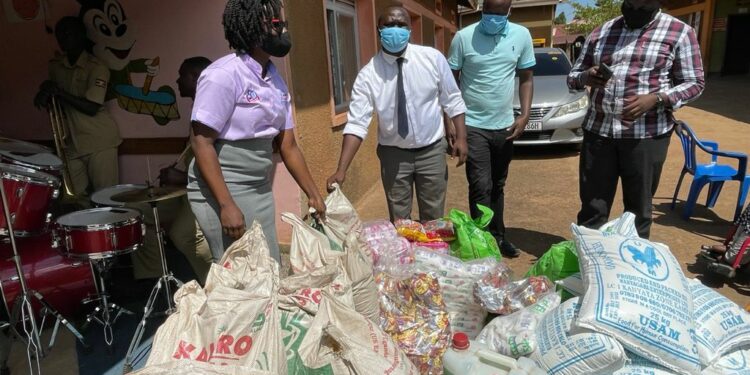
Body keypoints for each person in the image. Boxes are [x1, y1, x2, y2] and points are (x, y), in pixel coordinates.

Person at [189, 0, 326, 262]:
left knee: (268, 264)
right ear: (252, 27)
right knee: (241, 274)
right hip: (224, 187)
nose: (282, 30)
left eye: (283, 23)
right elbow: (201, 143)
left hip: (259, 187)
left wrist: (313, 193)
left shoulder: (275, 79)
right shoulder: (223, 75)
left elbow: (289, 146)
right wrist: (226, 205)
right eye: (275, 24)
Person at [568, 0, 704, 239]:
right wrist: (585, 77)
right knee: (592, 208)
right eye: (630, 3)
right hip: (599, 133)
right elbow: (573, 76)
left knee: (637, 210)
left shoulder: (680, 32)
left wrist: (658, 98)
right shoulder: (602, 31)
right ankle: (590, 265)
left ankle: (630, 267)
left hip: (646, 137)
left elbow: (695, 83)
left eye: (643, 5)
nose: (635, 9)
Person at [327, 6, 468, 222]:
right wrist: (341, 169)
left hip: (431, 150)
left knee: (433, 218)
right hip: (394, 155)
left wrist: (461, 137)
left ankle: (429, 255)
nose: (396, 30)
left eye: (401, 25)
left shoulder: (432, 58)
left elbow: (452, 99)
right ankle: (406, 255)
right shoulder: (368, 75)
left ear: (410, 29)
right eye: (389, 25)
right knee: (400, 222)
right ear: (379, 30)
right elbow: (357, 124)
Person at [447, 0, 535, 257]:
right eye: (488, 12)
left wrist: (525, 115)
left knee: (498, 184)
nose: (492, 18)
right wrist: (451, 122)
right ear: (481, 9)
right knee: (480, 185)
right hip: (473, 124)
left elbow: (527, 78)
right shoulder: (463, 38)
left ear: (509, 11)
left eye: (499, 13)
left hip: (505, 126)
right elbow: (449, 81)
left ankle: (498, 237)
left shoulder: (522, 35)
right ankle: (481, 242)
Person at [130, 56, 215, 284]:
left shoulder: (214, 108)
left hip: (201, 190)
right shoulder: (197, 107)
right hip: (185, 187)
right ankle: (155, 281)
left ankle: (216, 283)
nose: (177, 80)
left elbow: (219, 163)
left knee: (183, 235)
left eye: (182, 75)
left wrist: (182, 177)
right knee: (135, 213)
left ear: (197, 77)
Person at [34, 16, 121, 198]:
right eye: (60, 35)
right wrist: (44, 93)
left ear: (81, 35)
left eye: (69, 33)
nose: (64, 38)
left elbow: (91, 107)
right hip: (71, 144)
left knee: (106, 198)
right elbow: (54, 96)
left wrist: (57, 91)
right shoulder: (56, 66)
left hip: (98, 142)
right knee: (75, 199)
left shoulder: (96, 66)